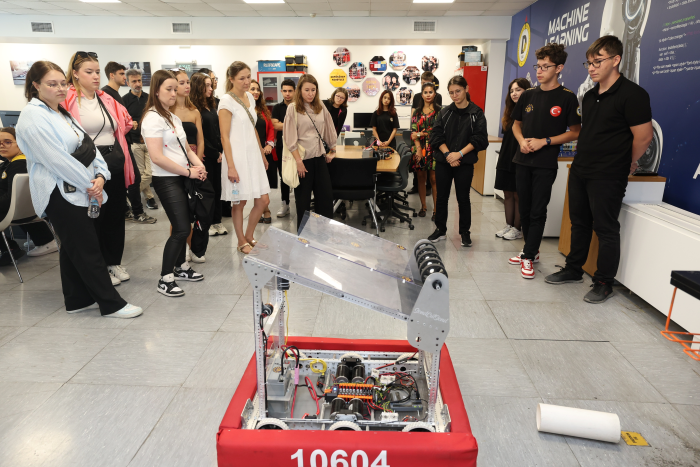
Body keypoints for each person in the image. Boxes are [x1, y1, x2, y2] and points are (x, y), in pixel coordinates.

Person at [15, 60, 142, 318]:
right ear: (36, 85)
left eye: (63, 83)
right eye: (52, 84)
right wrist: (89, 185)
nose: (60, 88)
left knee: (73, 246)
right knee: (87, 247)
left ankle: (77, 300)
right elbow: (57, 161)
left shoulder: (62, 112)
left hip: (83, 187)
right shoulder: (32, 116)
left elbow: (89, 147)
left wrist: (101, 176)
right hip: (59, 191)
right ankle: (111, 303)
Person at [545, 35, 653, 303]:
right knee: (579, 222)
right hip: (581, 168)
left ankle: (604, 282)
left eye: (597, 62)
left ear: (616, 60)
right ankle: (573, 269)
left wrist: (626, 161)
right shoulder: (590, 95)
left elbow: (643, 137)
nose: (591, 68)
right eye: (589, 63)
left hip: (608, 173)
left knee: (605, 228)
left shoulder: (633, 94)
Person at [509, 43, 581, 280]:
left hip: (545, 163)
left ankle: (528, 256)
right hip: (522, 160)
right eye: (537, 66)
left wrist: (545, 141)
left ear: (558, 68)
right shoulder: (528, 95)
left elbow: (575, 132)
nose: (539, 71)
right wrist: (521, 141)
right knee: (525, 209)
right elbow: (516, 125)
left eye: (545, 67)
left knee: (538, 210)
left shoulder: (567, 97)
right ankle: (531, 250)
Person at [63, 51, 135, 287]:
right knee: (94, 215)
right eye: (89, 72)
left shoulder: (106, 98)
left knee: (115, 214)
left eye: (97, 71)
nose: (95, 76)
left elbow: (123, 124)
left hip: (113, 159)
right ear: (75, 73)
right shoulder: (68, 99)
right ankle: (98, 267)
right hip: (87, 163)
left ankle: (113, 261)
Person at [141, 69, 207, 297]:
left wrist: (199, 166)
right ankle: (165, 278)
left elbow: (186, 148)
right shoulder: (152, 118)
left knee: (185, 223)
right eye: (168, 89)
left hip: (182, 176)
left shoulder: (173, 117)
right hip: (166, 179)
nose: (173, 93)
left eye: (174, 88)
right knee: (181, 229)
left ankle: (181, 267)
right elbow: (157, 157)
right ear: (156, 91)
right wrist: (189, 172)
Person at [428, 75, 489, 247]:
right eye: (451, 93)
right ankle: (440, 229)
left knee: (463, 198)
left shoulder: (476, 113)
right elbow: (436, 136)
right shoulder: (445, 112)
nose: (454, 95)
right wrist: (449, 155)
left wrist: (459, 154)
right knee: (442, 197)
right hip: (444, 161)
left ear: (466, 89)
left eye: (458, 91)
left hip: (464, 163)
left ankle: (465, 232)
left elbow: (480, 139)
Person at [219, 61, 270, 254]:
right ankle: (241, 241)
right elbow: (224, 136)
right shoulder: (226, 101)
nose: (247, 81)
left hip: (253, 155)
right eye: (242, 78)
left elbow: (253, 128)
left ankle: (249, 236)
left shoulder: (250, 97)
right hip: (237, 158)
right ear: (231, 79)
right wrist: (231, 166)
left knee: (263, 200)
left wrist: (261, 154)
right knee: (240, 202)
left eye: (248, 77)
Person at [284, 74, 338, 232]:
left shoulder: (320, 106)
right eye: (306, 90)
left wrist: (332, 149)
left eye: (313, 90)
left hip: (319, 158)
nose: (310, 93)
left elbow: (329, 128)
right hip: (303, 160)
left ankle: (324, 234)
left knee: (325, 198)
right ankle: (303, 235)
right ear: (300, 90)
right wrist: (298, 162)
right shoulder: (293, 108)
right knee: (303, 201)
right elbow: (290, 139)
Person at [103, 62, 154, 226]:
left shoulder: (115, 94)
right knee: (133, 179)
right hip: (119, 145)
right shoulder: (106, 94)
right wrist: (130, 124)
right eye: (121, 74)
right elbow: (113, 123)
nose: (124, 77)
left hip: (129, 142)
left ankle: (127, 209)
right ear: (112, 75)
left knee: (134, 178)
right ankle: (137, 211)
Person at [0, 127, 58, 266]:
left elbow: (9, 200)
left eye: (7, 142)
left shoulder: (17, 165)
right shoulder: (24, 161)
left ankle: (10, 248)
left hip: (13, 211)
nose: (2, 146)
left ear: (20, 143)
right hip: (30, 211)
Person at [171, 69, 207, 262]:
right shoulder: (167, 111)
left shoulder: (194, 111)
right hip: (175, 163)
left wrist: (198, 165)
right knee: (178, 211)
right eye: (182, 82)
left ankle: (193, 247)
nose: (187, 86)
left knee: (194, 209)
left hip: (194, 162)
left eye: (188, 82)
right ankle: (181, 249)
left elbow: (200, 140)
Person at [190, 72, 227, 237]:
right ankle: (208, 222)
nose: (211, 89)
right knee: (207, 190)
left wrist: (222, 151)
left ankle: (217, 220)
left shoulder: (213, 106)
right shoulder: (194, 108)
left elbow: (219, 130)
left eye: (211, 85)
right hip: (206, 155)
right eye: (207, 86)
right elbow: (201, 136)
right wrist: (214, 152)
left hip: (219, 154)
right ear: (198, 87)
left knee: (218, 189)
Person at [495, 78, 529, 241]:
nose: (514, 94)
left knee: (517, 195)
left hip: (520, 158)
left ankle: (517, 228)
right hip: (505, 157)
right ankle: (509, 225)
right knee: (507, 192)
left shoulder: (529, 112)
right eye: (512, 91)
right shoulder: (509, 112)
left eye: (518, 90)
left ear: (527, 91)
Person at [123, 68, 158, 211]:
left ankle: (129, 195)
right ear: (127, 83)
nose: (137, 84)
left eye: (139, 80)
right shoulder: (124, 100)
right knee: (141, 173)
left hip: (150, 141)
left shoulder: (149, 99)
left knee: (150, 173)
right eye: (134, 81)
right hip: (134, 143)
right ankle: (149, 198)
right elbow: (122, 122)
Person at [410, 83, 441, 220]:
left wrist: (421, 133)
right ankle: (423, 207)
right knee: (421, 178)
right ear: (422, 95)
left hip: (435, 148)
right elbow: (413, 133)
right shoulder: (416, 112)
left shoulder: (440, 111)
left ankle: (436, 210)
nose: (428, 95)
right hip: (419, 149)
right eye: (425, 92)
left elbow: (438, 132)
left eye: (430, 92)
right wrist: (418, 149)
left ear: (435, 94)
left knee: (434, 179)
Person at [249, 79, 277, 224]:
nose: (256, 92)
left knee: (263, 183)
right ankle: (264, 210)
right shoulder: (244, 109)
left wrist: (270, 145)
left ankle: (264, 210)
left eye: (257, 89)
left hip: (265, 153)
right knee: (256, 184)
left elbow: (271, 128)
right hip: (251, 152)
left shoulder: (262, 109)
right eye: (252, 89)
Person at [271, 79, 295, 218]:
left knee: (299, 174)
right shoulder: (277, 108)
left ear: (295, 91)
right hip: (282, 146)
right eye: (285, 91)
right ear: (281, 91)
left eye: (290, 91)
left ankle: (300, 203)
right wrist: (293, 124)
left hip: (298, 146)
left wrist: (283, 124)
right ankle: (285, 204)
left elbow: (281, 125)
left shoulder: (300, 106)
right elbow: (275, 125)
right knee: (284, 176)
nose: (287, 94)